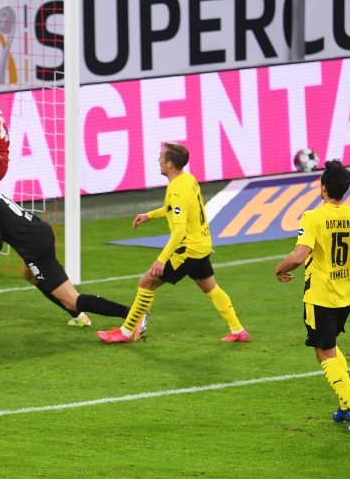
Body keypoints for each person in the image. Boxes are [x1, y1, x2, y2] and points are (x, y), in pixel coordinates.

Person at [0, 156, 141, 330]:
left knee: (73, 298)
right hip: (38, 231)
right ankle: (78, 316)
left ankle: (132, 315)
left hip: (33, 246)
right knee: (29, 274)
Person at [274, 159, 350, 432]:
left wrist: (279, 269)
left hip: (320, 296)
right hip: (347, 294)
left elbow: (299, 255)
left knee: (324, 352)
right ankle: (343, 405)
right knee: (329, 346)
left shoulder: (312, 217)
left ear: (323, 187)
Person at [97, 142, 248, 344]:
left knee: (147, 282)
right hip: (201, 244)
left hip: (187, 249)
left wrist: (161, 260)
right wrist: (149, 215)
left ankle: (125, 332)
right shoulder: (188, 180)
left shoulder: (177, 190)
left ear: (169, 164)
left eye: (161, 157)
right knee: (210, 287)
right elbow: (175, 209)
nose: (158, 160)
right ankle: (238, 330)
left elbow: (179, 231)